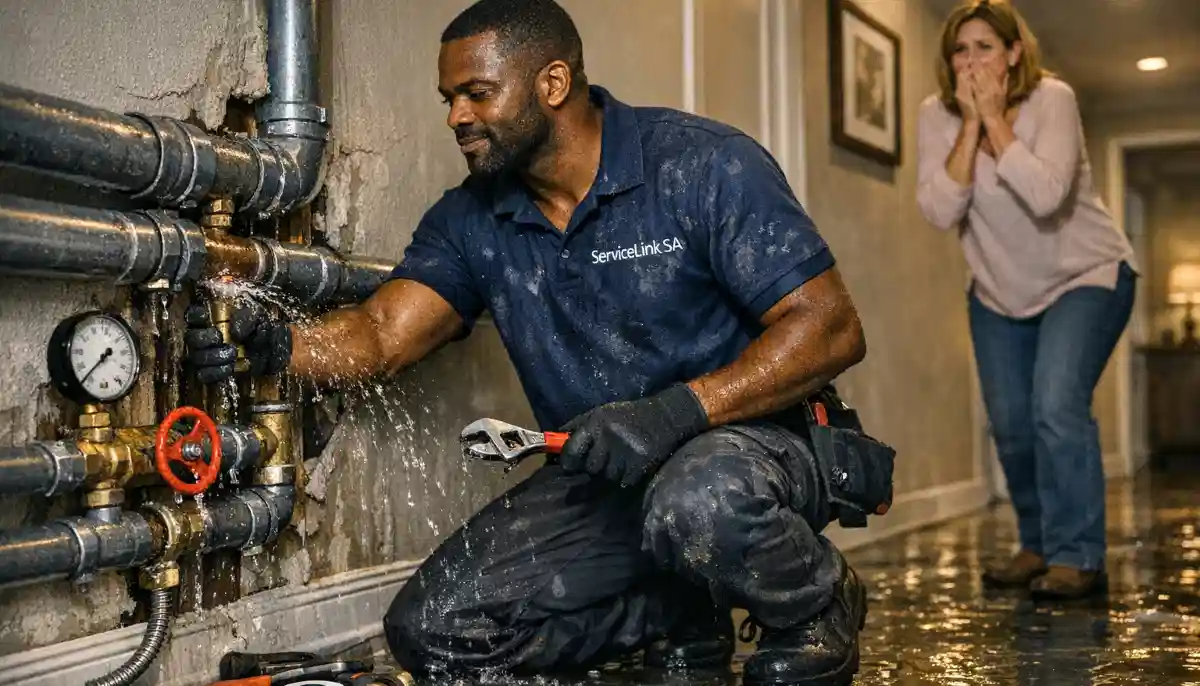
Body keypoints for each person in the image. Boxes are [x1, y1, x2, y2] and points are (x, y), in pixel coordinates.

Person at [186, 0, 894, 682]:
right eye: (449, 99)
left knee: (700, 500)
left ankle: (815, 601)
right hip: (609, 475)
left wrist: (675, 413)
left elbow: (829, 327)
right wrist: (279, 347)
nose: (457, 117)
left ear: (553, 83)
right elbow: (379, 336)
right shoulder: (472, 217)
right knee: (432, 631)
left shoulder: (701, 165)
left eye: (477, 93)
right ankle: (679, 608)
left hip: (754, 446)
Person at [916, 0, 1137, 600]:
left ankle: (1078, 555)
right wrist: (969, 124)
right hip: (998, 291)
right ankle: (1037, 544)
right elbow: (938, 210)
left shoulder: (1053, 100)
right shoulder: (936, 115)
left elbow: (1045, 196)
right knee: (1012, 425)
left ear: (1014, 53)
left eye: (985, 47)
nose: (971, 61)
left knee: (1055, 406)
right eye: (960, 50)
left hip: (1085, 275)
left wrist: (996, 121)